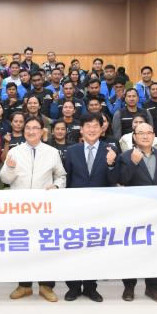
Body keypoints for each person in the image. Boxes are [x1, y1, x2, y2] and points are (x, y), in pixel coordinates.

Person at [0, 116, 66, 302]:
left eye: (35, 128)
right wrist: (10, 168)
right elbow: (5, 179)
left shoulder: (52, 152)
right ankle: (24, 286)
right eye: (27, 128)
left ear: (42, 131)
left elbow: (61, 176)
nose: (30, 131)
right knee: (23, 247)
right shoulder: (15, 151)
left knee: (45, 247)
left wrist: (57, 186)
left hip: (44, 209)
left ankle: (46, 286)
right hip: (20, 209)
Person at [62, 113, 120, 302]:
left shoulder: (110, 150)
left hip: (99, 209)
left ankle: (90, 287)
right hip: (75, 209)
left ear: (102, 129)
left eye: (96, 126)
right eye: (88, 126)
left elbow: (114, 180)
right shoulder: (72, 151)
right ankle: (73, 287)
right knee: (74, 248)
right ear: (81, 129)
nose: (92, 129)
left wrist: (111, 164)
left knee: (94, 249)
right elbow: (67, 179)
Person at [118, 123, 157, 303]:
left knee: (155, 250)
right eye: (141, 133)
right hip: (134, 213)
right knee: (131, 251)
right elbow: (122, 180)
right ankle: (129, 287)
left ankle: (152, 288)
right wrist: (133, 163)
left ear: (154, 136)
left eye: (149, 132)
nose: (145, 136)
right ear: (134, 136)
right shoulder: (125, 156)